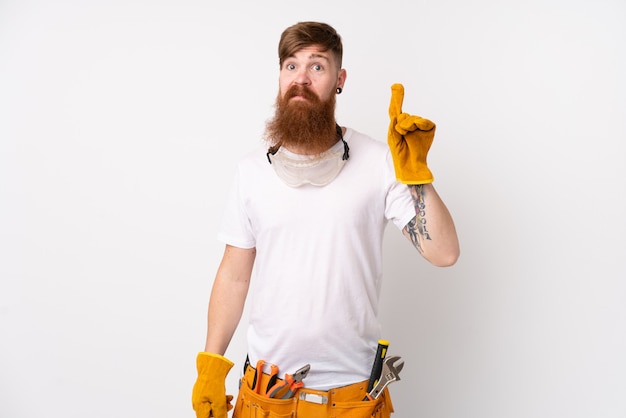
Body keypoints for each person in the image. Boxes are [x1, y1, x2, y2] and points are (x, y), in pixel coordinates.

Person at [192, 21, 460, 418]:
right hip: (267, 397)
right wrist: (211, 365)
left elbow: (444, 252)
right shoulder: (251, 171)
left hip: (352, 398)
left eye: (317, 66)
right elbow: (234, 275)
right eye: (291, 66)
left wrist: (417, 174)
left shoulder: (377, 161)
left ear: (340, 79)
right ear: (280, 77)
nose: (301, 78)